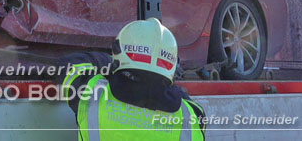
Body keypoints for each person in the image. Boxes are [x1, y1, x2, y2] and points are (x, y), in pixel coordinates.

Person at [57, 18, 206, 140]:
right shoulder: (192, 114)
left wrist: (111, 63)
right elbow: (176, 94)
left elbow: (69, 65)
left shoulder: (93, 94)